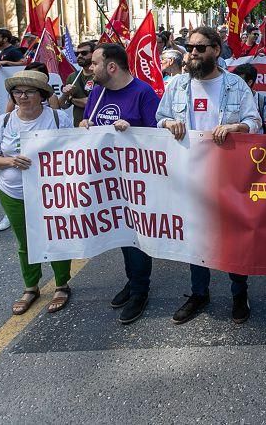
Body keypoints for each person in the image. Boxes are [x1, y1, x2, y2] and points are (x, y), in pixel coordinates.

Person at [157, 26, 261, 325]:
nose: (192, 53)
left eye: (200, 48)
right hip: (188, 176)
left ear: (216, 50)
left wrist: (235, 128)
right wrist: (168, 125)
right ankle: (199, 293)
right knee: (194, 237)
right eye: (189, 47)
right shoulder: (176, 85)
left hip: (226, 176)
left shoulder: (235, 85)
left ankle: (239, 293)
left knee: (232, 236)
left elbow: (253, 121)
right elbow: (160, 117)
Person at [81, 42, 161, 325]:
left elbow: (158, 138)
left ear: (111, 67)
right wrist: (84, 128)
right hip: (108, 180)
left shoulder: (143, 93)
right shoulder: (98, 93)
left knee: (137, 236)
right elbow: (88, 123)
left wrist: (132, 132)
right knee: (122, 235)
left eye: (95, 64)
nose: (90, 68)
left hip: (137, 181)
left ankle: (140, 290)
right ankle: (133, 281)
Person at [0, 69, 72, 315]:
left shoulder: (57, 118)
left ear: (42, 95)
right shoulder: (4, 121)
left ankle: (62, 284)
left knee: (56, 236)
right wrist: (11, 161)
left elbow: (74, 151)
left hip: (52, 191)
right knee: (25, 242)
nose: (23, 96)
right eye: (18, 92)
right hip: (14, 192)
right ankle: (31, 287)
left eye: (29, 91)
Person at [57, 40, 96, 128]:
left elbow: (90, 102)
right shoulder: (72, 76)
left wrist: (72, 99)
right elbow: (62, 105)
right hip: (78, 126)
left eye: (84, 53)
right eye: (77, 54)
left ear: (94, 54)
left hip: (96, 127)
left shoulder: (100, 76)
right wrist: (65, 94)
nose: (79, 56)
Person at [233, 63, 266, 132]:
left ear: (249, 82)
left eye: (239, 81)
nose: (235, 84)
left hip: (257, 142)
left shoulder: (263, 101)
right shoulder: (229, 98)